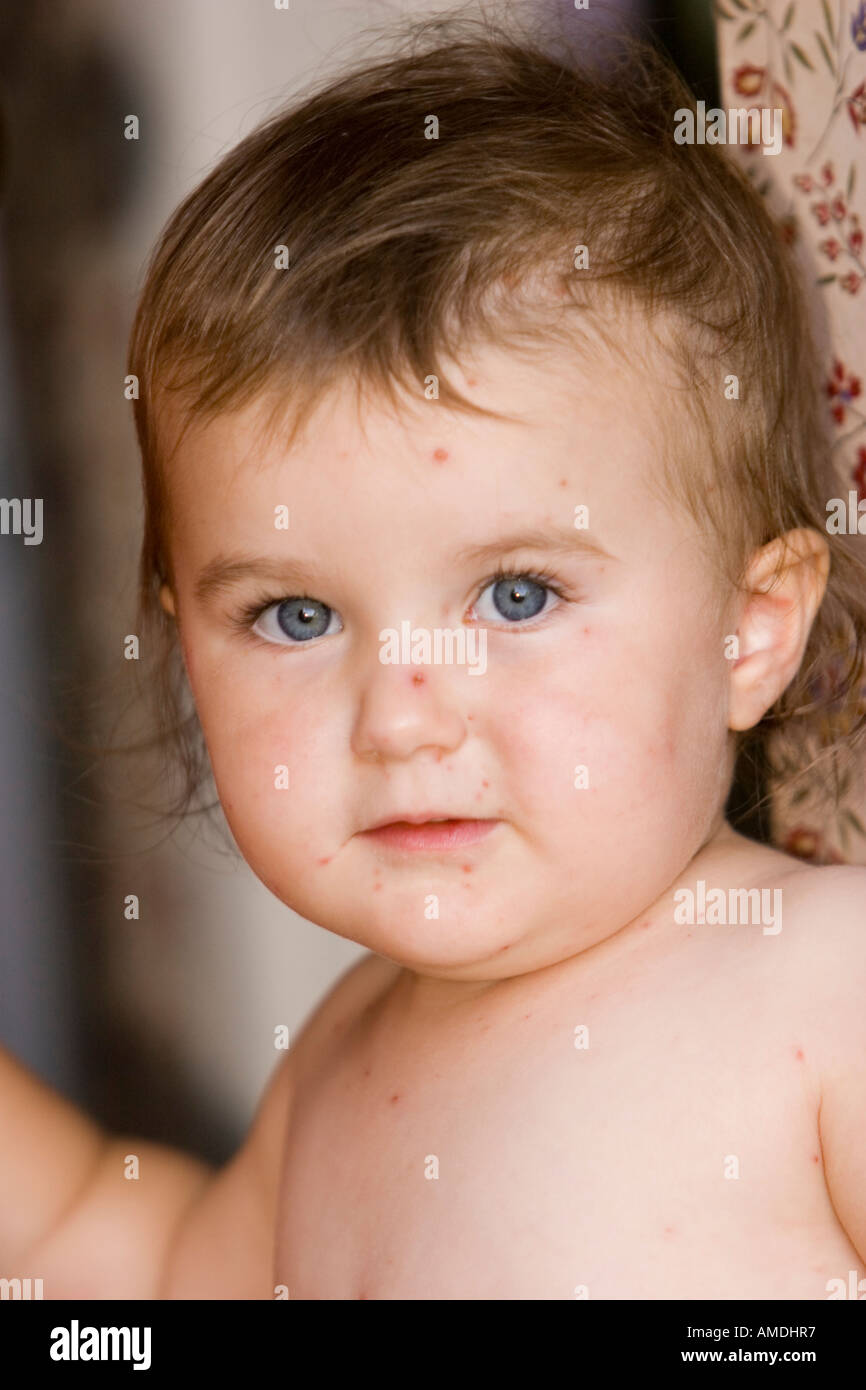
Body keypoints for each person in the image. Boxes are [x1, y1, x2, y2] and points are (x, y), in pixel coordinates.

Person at [3, 7, 866, 1299]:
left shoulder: (822, 989)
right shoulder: (345, 1054)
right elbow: (151, 1268)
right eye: (296, 617)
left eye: (517, 595)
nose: (400, 718)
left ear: (749, 631)